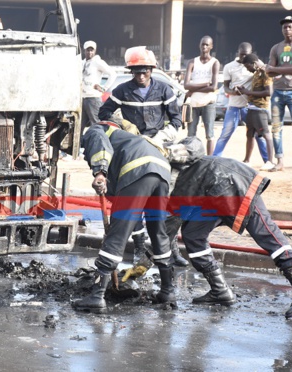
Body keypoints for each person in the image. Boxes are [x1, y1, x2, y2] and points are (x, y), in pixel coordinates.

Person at [125, 137, 292, 319]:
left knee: (265, 234)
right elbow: (164, 233)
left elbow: (195, 144)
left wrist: (170, 151)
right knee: (192, 234)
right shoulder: (162, 195)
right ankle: (220, 290)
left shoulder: (164, 156)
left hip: (233, 183)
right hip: (209, 198)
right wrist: (142, 265)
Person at [98, 46, 187, 267]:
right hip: (132, 148)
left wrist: (161, 137)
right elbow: (103, 113)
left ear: (152, 70)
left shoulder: (165, 90)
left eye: (145, 71)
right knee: (133, 196)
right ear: (131, 71)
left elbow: (176, 120)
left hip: (159, 145)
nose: (141, 75)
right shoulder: (121, 91)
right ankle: (139, 248)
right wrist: (123, 124)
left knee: (167, 199)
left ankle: (171, 248)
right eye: (136, 71)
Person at [72, 122, 175, 313]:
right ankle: (167, 291)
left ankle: (97, 296)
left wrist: (100, 172)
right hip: (161, 172)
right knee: (158, 231)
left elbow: (99, 145)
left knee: (117, 236)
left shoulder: (98, 128)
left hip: (137, 170)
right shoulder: (129, 140)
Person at [213, 42, 269, 164]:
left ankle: (267, 161)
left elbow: (266, 74)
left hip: (249, 107)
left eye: (247, 55)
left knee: (258, 135)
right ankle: (214, 159)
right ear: (238, 52)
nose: (244, 58)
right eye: (242, 55)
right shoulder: (229, 67)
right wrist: (232, 92)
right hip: (233, 106)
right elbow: (226, 87)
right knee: (225, 134)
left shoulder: (255, 64)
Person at [265, 16, 292, 173]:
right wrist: (285, 68)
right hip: (277, 92)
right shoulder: (276, 48)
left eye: (290, 26)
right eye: (284, 27)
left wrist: (276, 69)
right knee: (276, 128)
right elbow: (269, 71)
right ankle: (279, 161)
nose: (287, 29)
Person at [237, 53, 275, 170]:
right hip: (252, 108)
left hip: (260, 109)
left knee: (266, 134)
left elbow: (268, 92)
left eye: (248, 67)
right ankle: (247, 160)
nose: (248, 70)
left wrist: (249, 93)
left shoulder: (265, 72)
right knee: (249, 135)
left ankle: (270, 162)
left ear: (253, 63)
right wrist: (244, 91)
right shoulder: (256, 73)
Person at [184, 35, 219, 155]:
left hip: (208, 102)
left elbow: (214, 87)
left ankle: (210, 159)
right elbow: (186, 85)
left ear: (211, 46)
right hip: (193, 103)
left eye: (207, 44)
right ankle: (191, 157)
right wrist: (205, 84)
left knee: (209, 134)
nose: (204, 46)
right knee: (191, 134)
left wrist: (193, 89)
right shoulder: (192, 62)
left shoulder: (215, 63)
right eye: (202, 44)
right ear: (199, 45)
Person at [80, 40, 116, 145]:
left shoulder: (97, 62)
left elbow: (112, 74)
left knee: (96, 125)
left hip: (93, 98)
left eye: (92, 50)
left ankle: (100, 147)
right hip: (82, 98)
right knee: (79, 126)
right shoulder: (83, 62)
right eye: (88, 50)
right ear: (84, 50)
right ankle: (78, 151)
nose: (90, 53)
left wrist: (104, 88)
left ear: (95, 51)